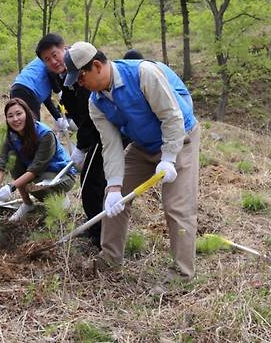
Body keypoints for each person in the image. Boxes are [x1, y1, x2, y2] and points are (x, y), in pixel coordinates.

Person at [64, 42, 200, 285]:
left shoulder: (143, 74)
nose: (79, 84)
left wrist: (168, 157)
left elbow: (172, 116)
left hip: (180, 138)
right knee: (113, 198)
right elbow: (112, 146)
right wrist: (115, 187)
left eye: (81, 78)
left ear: (96, 66)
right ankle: (109, 259)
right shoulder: (96, 103)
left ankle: (182, 275)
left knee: (177, 207)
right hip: (142, 145)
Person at [35, 33, 105, 247]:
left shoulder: (83, 73)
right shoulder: (65, 79)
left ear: (65, 49)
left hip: (104, 135)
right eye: (47, 59)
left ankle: (101, 234)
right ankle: (95, 228)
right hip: (91, 136)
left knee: (94, 184)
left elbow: (90, 117)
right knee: (89, 183)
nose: (53, 61)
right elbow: (76, 111)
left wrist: (81, 147)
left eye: (55, 55)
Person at [0, 98, 76, 222]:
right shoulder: (12, 136)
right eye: (10, 116)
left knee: (34, 183)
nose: (15, 119)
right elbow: (1, 163)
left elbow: (36, 168)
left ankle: (60, 200)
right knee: (13, 158)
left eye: (19, 113)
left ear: (27, 113)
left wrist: (10, 187)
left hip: (61, 176)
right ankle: (28, 204)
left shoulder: (45, 134)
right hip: (37, 174)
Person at [10, 55, 66, 132]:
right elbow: (50, 71)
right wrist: (59, 92)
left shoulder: (43, 81)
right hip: (27, 89)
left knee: (22, 125)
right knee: (33, 127)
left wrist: (58, 118)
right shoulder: (53, 60)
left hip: (17, 89)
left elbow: (48, 101)